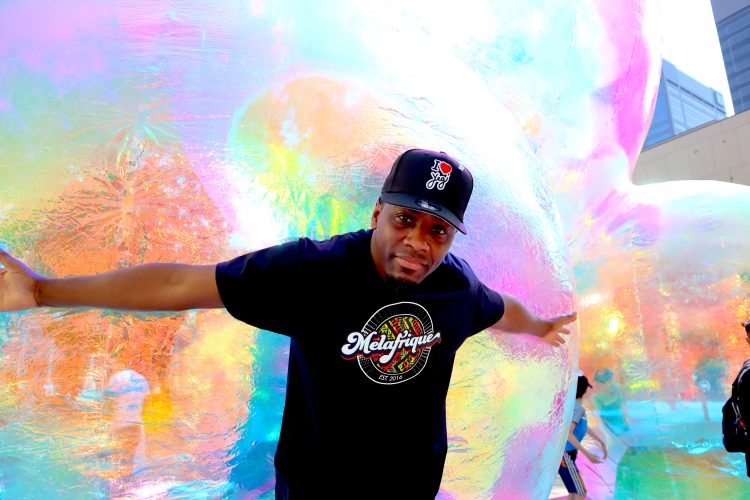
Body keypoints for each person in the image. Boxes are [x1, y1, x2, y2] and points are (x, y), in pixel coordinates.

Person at [0, 148, 576, 498]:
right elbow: (182, 285)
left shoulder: (457, 286)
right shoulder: (313, 271)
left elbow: (504, 310)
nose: (418, 243)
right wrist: (47, 290)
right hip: (319, 488)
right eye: (405, 219)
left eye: (438, 231)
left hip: (410, 486)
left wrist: (545, 327)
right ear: (378, 212)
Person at [558, 372, 608, 500]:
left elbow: (583, 426)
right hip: (566, 455)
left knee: (574, 492)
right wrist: (588, 455)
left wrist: (600, 441)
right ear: (585, 389)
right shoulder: (577, 408)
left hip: (566, 455)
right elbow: (568, 434)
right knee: (581, 492)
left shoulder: (574, 406)